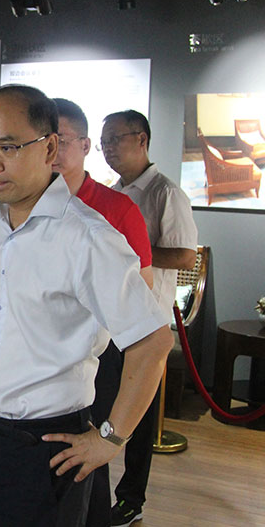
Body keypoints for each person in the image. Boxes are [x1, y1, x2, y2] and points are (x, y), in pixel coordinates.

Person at [0, 85, 173, 527]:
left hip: (49, 443)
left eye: (8, 147)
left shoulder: (86, 236)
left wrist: (110, 439)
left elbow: (153, 341)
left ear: (50, 148)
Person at [51, 98, 154, 526]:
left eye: (61, 142)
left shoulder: (116, 208)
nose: (52, 152)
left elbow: (143, 294)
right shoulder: (24, 206)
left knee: (90, 453)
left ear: (84, 145)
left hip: (102, 350)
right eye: (44, 141)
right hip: (49, 355)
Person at [101, 109, 198, 527]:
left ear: (141, 139)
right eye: (103, 141)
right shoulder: (112, 192)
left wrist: (134, 249)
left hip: (147, 324)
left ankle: (131, 500)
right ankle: (96, 494)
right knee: (102, 410)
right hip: (110, 321)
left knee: (140, 419)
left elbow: (186, 255)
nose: (107, 148)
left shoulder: (165, 193)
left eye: (115, 139)